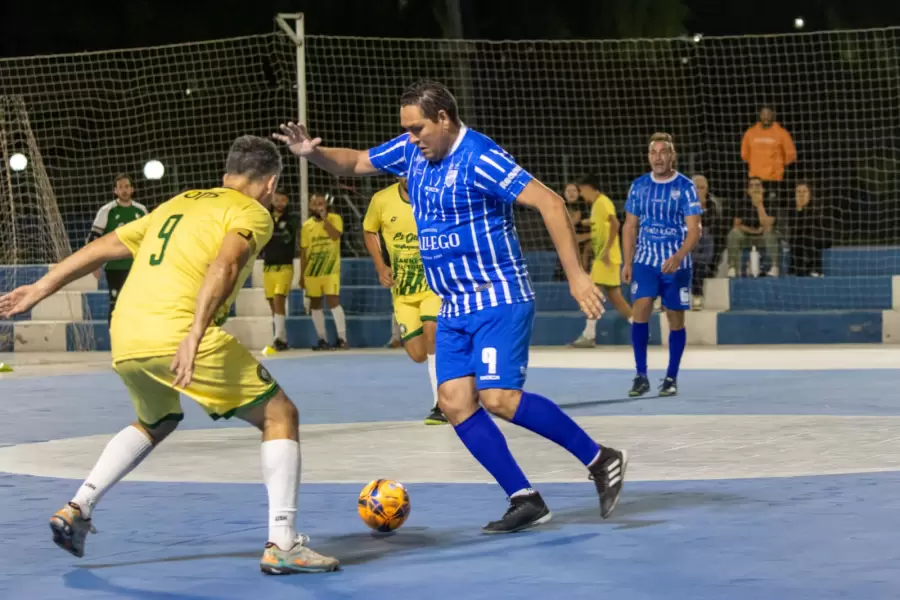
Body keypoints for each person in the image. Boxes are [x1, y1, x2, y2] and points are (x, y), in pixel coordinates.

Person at [273, 79, 627, 534]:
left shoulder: (480, 156)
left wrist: (577, 276)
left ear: (443, 119)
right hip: (454, 303)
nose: (411, 137)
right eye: (406, 129)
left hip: (498, 297)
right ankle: (524, 497)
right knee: (454, 401)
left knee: (498, 398)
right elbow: (357, 162)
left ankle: (600, 459)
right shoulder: (412, 151)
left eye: (418, 127)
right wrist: (312, 153)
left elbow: (551, 203)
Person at [0, 136, 338, 575]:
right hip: (175, 329)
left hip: (126, 334)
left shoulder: (179, 203)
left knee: (156, 421)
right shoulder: (251, 212)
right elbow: (228, 264)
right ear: (270, 183)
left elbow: (103, 248)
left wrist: (41, 288)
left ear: (226, 175)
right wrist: (196, 333)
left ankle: (78, 506)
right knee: (280, 415)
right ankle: (284, 542)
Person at [622, 133, 702, 398]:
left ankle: (671, 377)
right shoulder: (639, 186)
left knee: (675, 318)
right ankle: (640, 375)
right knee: (641, 306)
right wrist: (627, 261)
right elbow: (630, 226)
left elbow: (694, 229)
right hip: (645, 260)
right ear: (648, 157)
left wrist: (678, 256)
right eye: (653, 152)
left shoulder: (686, 186)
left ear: (672, 155)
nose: (658, 156)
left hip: (676, 262)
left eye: (663, 151)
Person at [363, 177, 447, 425]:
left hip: (434, 285)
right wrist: (381, 266)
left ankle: (441, 404)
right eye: (402, 171)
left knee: (433, 335)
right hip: (403, 292)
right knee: (418, 354)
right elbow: (369, 230)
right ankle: (460, 370)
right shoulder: (381, 199)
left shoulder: (435, 194)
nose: (408, 175)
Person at [570, 175, 632, 347]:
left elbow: (615, 224)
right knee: (615, 297)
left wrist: (605, 251)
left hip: (606, 258)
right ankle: (639, 327)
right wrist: (588, 222)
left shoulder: (603, 202)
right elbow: (603, 225)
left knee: (592, 294)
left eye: (583, 191)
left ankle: (589, 335)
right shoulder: (597, 205)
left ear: (591, 188)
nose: (582, 195)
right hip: (605, 257)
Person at [86, 174, 148, 324]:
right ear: (115, 191)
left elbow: (149, 237)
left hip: (136, 265)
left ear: (132, 189)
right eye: (120, 187)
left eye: (127, 187)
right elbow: (94, 238)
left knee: (137, 303)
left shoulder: (141, 210)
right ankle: (114, 340)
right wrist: (94, 264)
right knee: (116, 303)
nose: (124, 190)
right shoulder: (107, 210)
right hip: (114, 265)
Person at [300, 192, 348, 350]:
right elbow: (304, 252)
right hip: (313, 272)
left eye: (321, 203)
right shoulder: (307, 226)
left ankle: (342, 338)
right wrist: (301, 275)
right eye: (315, 203)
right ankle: (322, 339)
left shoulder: (335, 219)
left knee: (334, 301)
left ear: (326, 205)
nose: (318, 206)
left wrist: (325, 218)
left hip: (331, 270)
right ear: (310, 206)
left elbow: (335, 236)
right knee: (315, 304)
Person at [261, 190, 300, 352]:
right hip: (268, 266)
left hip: (284, 266)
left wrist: (273, 234)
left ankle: (277, 338)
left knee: (279, 300)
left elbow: (286, 238)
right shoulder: (265, 217)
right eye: (276, 199)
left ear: (287, 201)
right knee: (272, 304)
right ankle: (282, 339)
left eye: (282, 199)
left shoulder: (291, 219)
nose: (279, 203)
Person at [740, 105, 796, 200]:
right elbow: (744, 154)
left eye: (768, 114)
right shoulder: (750, 133)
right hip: (754, 179)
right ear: (759, 115)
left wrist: (776, 166)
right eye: (763, 114)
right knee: (754, 206)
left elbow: (791, 155)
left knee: (772, 207)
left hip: (774, 180)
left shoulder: (782, 133)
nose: (766, 117)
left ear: (773, 115)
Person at [726, 177, 780, 277]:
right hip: (747, 237)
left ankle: (774, 267)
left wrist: (759, 205)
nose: (755, 188)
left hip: (764, 237)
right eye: (752, 186)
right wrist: (753, 231)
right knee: (734, 233)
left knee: (769, 232)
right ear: (748, 190)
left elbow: (768, 224)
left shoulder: (770, 201)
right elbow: (736, 225)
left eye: (758, 185)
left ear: (763, 189)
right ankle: (732, 268)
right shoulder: (741, 202)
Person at [781, 181, 824, 277]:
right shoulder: (791, 206)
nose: (801, 194)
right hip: (797, 236)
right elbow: (793, 225)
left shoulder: (816, 206)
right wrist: (799, 208)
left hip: (814, 235)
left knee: (809, 237)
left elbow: (811, 224)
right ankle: (798, 269)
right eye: (798, 192)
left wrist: (803, 208)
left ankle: (815, 268)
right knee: (797, 239)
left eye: (804, 191)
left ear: (810, 194)